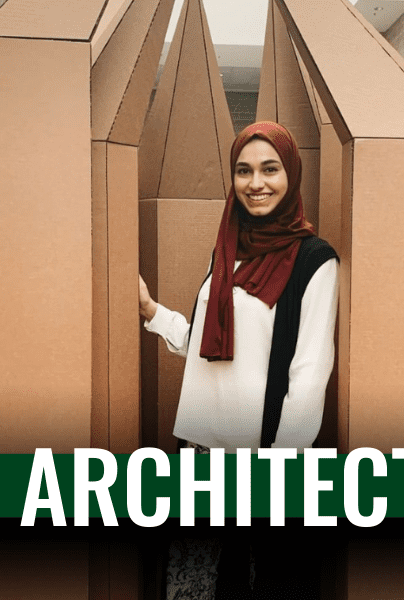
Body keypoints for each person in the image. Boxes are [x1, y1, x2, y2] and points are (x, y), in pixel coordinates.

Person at [138, 121, 339, 599]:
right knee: (194, 588)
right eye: (244, 171)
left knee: (259, 585)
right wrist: (152, 312)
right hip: (203, 456)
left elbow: (309, 377)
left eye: (270, 169)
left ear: (291, 175)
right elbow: (211, 347)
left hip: (260, 463)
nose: (256, 183)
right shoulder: (226, 251)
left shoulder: (314, 260)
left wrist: (272, 476)